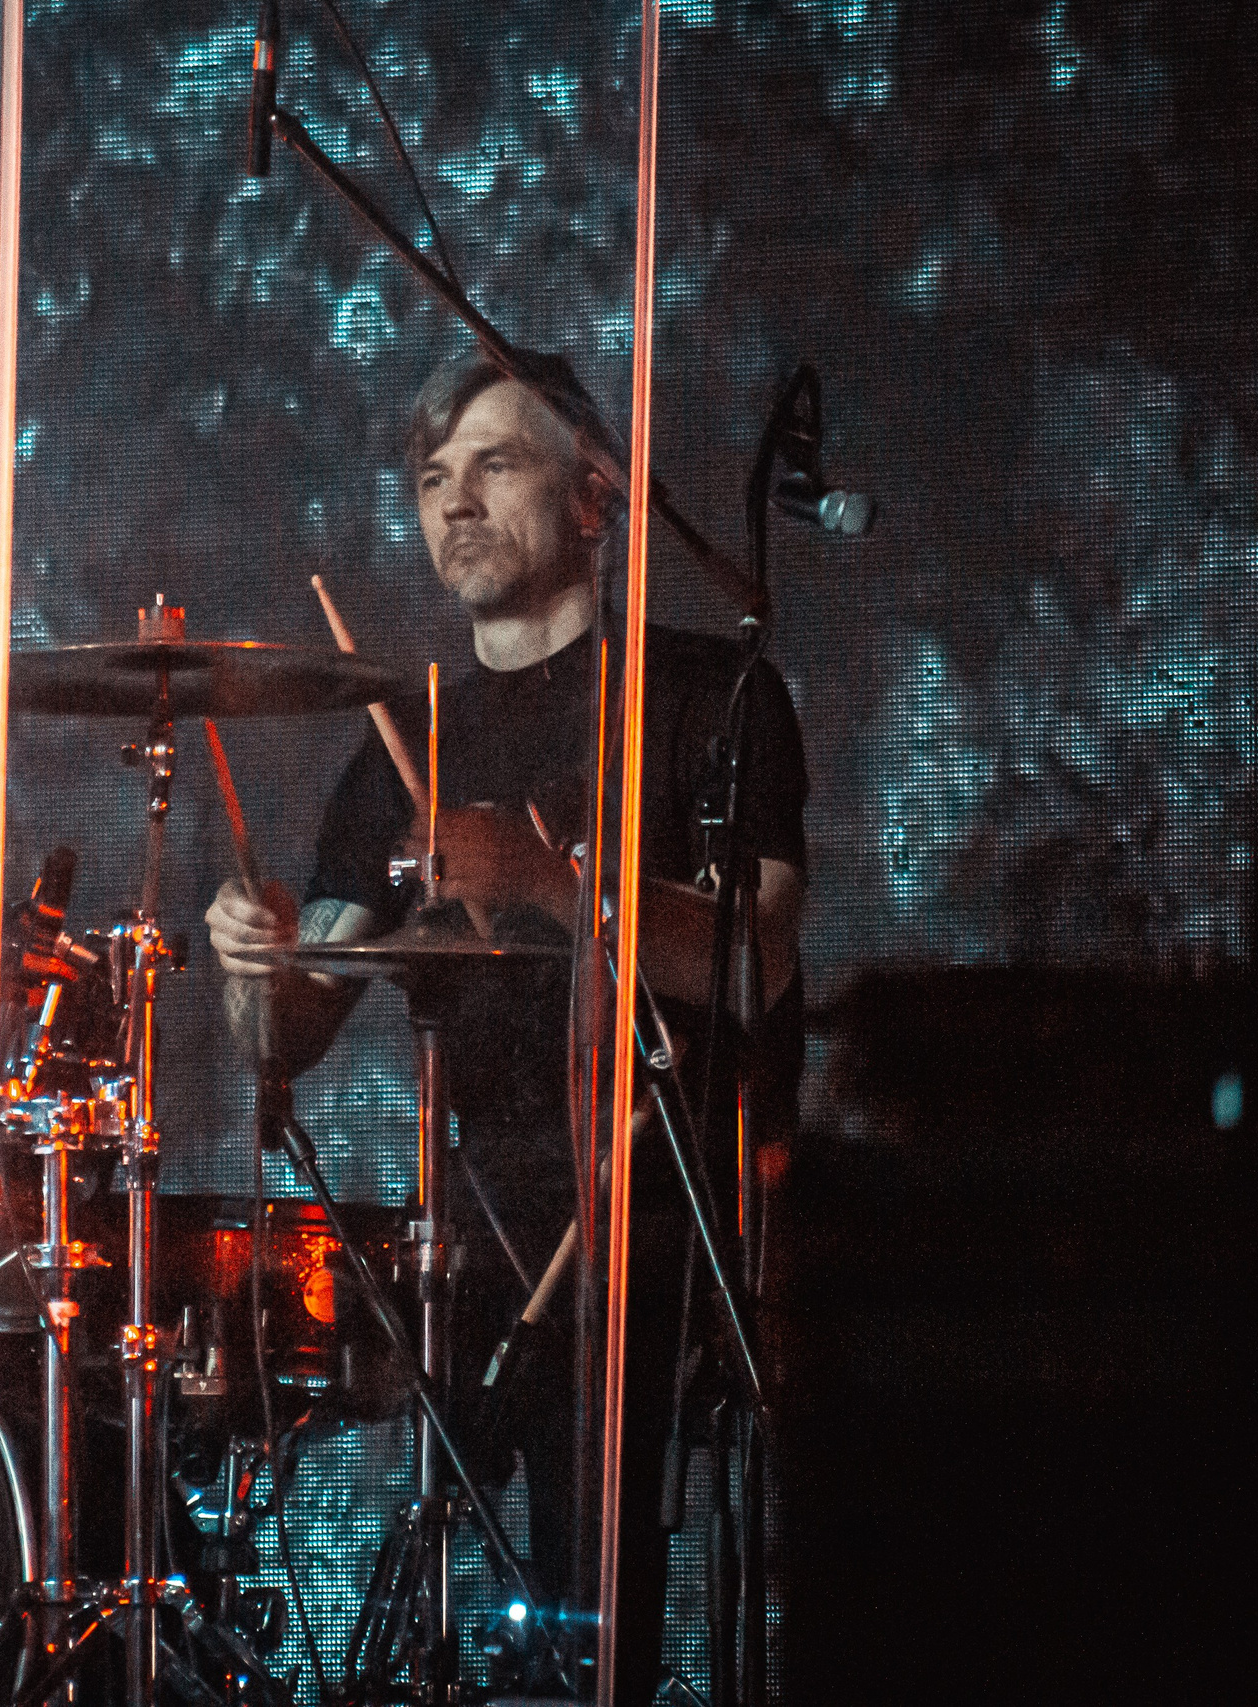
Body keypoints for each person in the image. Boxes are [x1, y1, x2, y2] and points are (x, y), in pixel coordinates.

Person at [204, 353, 809, 1699]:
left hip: (656, 1218)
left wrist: (544, 881)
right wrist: (255, 958)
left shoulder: (713, 696)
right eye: (431, 478)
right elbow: (289, 1031)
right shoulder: (397, 743)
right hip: (468, 1243)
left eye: (495, 464)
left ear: (595, 497)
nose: (454, 501)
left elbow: (753, 945)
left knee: (606, 1612)